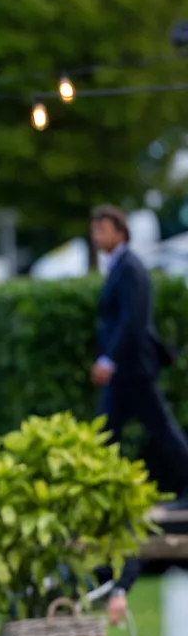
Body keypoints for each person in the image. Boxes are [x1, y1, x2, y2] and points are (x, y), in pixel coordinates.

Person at [89, 206, 188, 511]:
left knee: (160, 430)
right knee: (106, 434)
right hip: (126, 371)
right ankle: (100, 500)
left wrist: (108, 360)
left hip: (133, 369)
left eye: (102, 229)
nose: (96, 236)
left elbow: (132, 321)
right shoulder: (120, 265)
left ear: (121, 232)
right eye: (94, 230)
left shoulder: (129, 267)